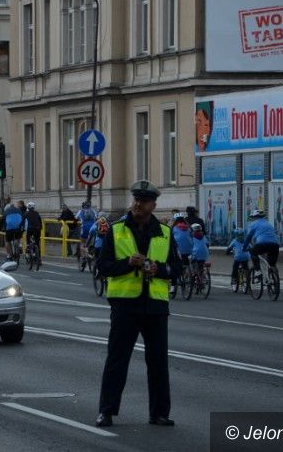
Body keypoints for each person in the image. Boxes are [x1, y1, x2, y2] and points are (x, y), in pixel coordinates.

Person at [96, 180, 181, 428]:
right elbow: (103, 266)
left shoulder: (165, 232)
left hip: (155, 306)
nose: (137, 205)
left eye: (143, 201)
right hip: (125, 305)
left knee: (158, 363)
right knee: (117, 360)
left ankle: (159, 413)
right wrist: (128, 264)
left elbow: (177, 268)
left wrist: (159, 269)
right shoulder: (117, 230)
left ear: (153, 205)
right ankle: (106, 411)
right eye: (136, 199)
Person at [242, 209, 280, 275]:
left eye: (253, 217)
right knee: (272, 264)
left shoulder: (253, 224)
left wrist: (244, 248)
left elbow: (248, 238)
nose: (252, 219)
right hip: (275, 245)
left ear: (255, 217)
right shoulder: (268, 224)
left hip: (262, 244)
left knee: (253, 253)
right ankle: (273, 275)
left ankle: (257, 270)